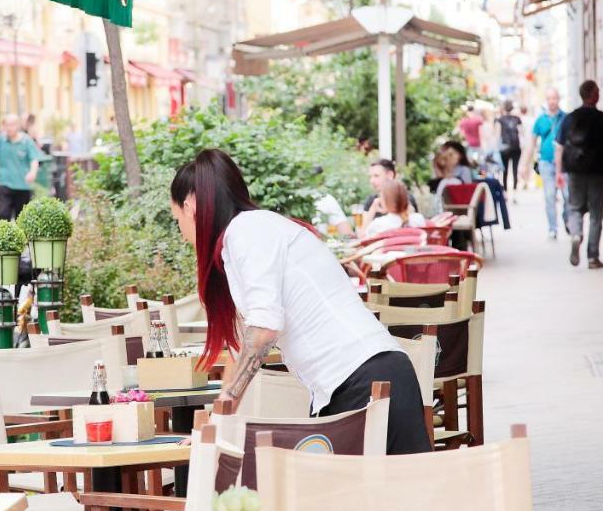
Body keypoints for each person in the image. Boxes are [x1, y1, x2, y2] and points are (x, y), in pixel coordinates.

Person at [169, 148, 430, 455]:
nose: (184, 235)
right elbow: (245, 345)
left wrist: (221, 415)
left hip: (362, 380)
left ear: (190, 206)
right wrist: (217, 420)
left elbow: (264, 330)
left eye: (177, 221)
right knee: (388, 498)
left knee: (371, 498)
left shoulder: (246, 232)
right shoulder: (258, 231)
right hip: (365, 376)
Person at [556, 80, 603, 269]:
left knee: (575, 208)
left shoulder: (569, 118)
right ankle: (593, 257)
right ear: (592, 95)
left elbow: (559, 148)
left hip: (575, 172)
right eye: (597, 91)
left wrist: (559, 172)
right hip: (598, 172)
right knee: (596, 214)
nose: (599, 93)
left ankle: (576, 234)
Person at [0, 113, 42, 221]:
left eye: (12, 125)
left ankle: (21, 238)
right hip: (4, 183)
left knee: (21, 218)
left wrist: (33, 172)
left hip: (22, 185)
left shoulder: (27, 141)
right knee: (3, 215)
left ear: (18, 126)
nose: (9, 128)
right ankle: (3, 238)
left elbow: (34, 159)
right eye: (7, 125)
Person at [531, 89, 567, 240]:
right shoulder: (540, 120)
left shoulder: (566, 118)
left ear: (558, 99)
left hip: (565, 164)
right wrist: (526, 164)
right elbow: (532, 142)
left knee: (568, 196)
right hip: (546, 162)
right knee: (550, 196)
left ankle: (568, 219)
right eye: (549, 98)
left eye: (555, 98)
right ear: (547, 100)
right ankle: (553, 228)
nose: (552, 101)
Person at [360, 158, 398, 229]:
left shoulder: (404, 198)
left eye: (376, 176)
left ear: (390, 175)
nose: (372, 181)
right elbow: (362, 233)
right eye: (370, 177)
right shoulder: (371, 200)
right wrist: (372, 210)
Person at [497, 100, 523, 192]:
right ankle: (515, 192)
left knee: (505, 170)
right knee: (515, 170)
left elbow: (498, 134)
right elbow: (521, 133)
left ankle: (506, 191)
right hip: (516, 147)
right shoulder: (517, 119)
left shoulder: (500, 119)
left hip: (505, 148)